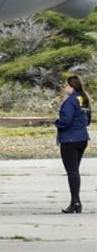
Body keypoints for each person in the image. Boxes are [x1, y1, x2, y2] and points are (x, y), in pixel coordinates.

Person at [55, 75, 91, 214]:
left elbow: (66, 120)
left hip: (70, 139)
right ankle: (75, 201)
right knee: (75, 170)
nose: (65, 88)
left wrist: (57, 123)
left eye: (66, 85)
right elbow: (87, 119)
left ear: (71, 86)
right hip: (82, 137)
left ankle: (75, 201)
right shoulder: (83, 99)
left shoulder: (70, 101)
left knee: (72, 171)